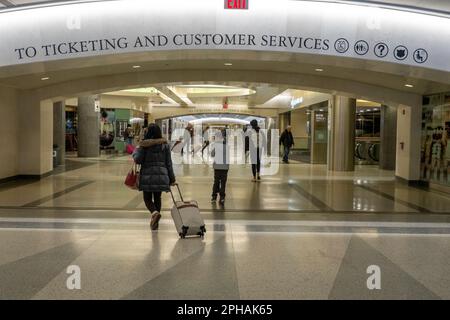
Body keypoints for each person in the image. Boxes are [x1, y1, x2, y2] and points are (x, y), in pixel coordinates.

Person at [133, 124, 176, 230]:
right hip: (161, 176)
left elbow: (137, 159)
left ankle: (154, 213)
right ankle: (155, 222)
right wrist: (172, 179)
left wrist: (136, 151)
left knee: (147, 198)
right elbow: (169, 163)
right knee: (157, 198)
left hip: (147, 176)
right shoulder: (164, 145)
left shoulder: (144, 145)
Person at [211, 129, 230, 205]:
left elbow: (212, 154)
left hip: (217, 167)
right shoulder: (226, 146)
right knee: (223, 182)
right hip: (225, 168)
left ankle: (214, 197)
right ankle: (222, 198)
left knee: (216, 182)